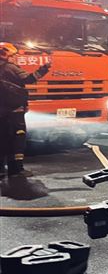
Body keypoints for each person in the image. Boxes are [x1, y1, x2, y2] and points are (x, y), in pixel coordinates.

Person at [0, 42, 50, 178]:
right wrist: (44, 69)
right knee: (17, 138)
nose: (15, 57)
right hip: (14, 111)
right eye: (13, 55)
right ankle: (16, 169)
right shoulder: (11, 68)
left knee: (2, 138)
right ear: (6, 54)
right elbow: (29, 79)